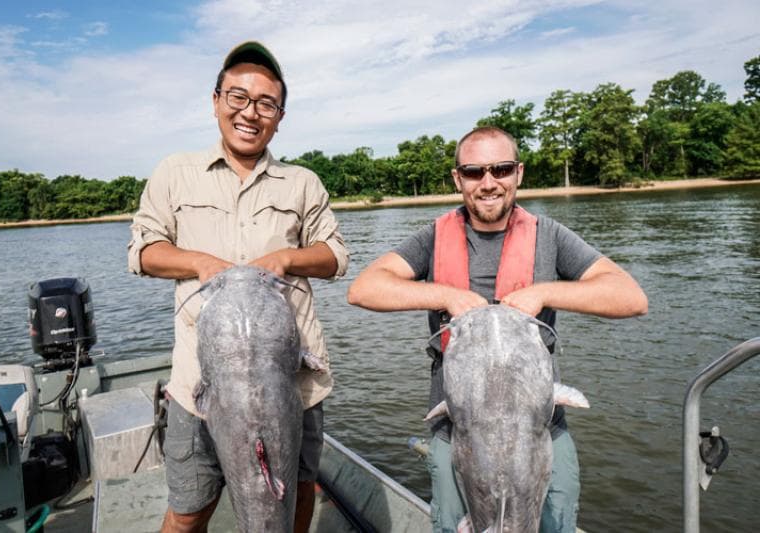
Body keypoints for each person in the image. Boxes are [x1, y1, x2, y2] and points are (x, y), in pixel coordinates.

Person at [347, 126, 647, 533]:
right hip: (457, 432)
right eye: (474, 172)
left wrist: (543, 291)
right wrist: (446, 296)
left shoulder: (551, 236)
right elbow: (364, 288)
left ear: (518, 173)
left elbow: (630, 297)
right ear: (458, 179)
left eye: (501, 169)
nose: (488, 183)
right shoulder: (432, 238)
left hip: (541, 430)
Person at [128, 41, 348, 533]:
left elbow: (336, 257)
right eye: (238, 97)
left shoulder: (302, 182)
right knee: (188, 510)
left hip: (295, 384)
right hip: (200, 386)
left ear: (280, 115)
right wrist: (201, 263)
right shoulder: (174, 173)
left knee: (295, 495)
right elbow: (142, 253)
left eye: (266, 103)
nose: (251, 113)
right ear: (215, 100)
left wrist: (289, 257)